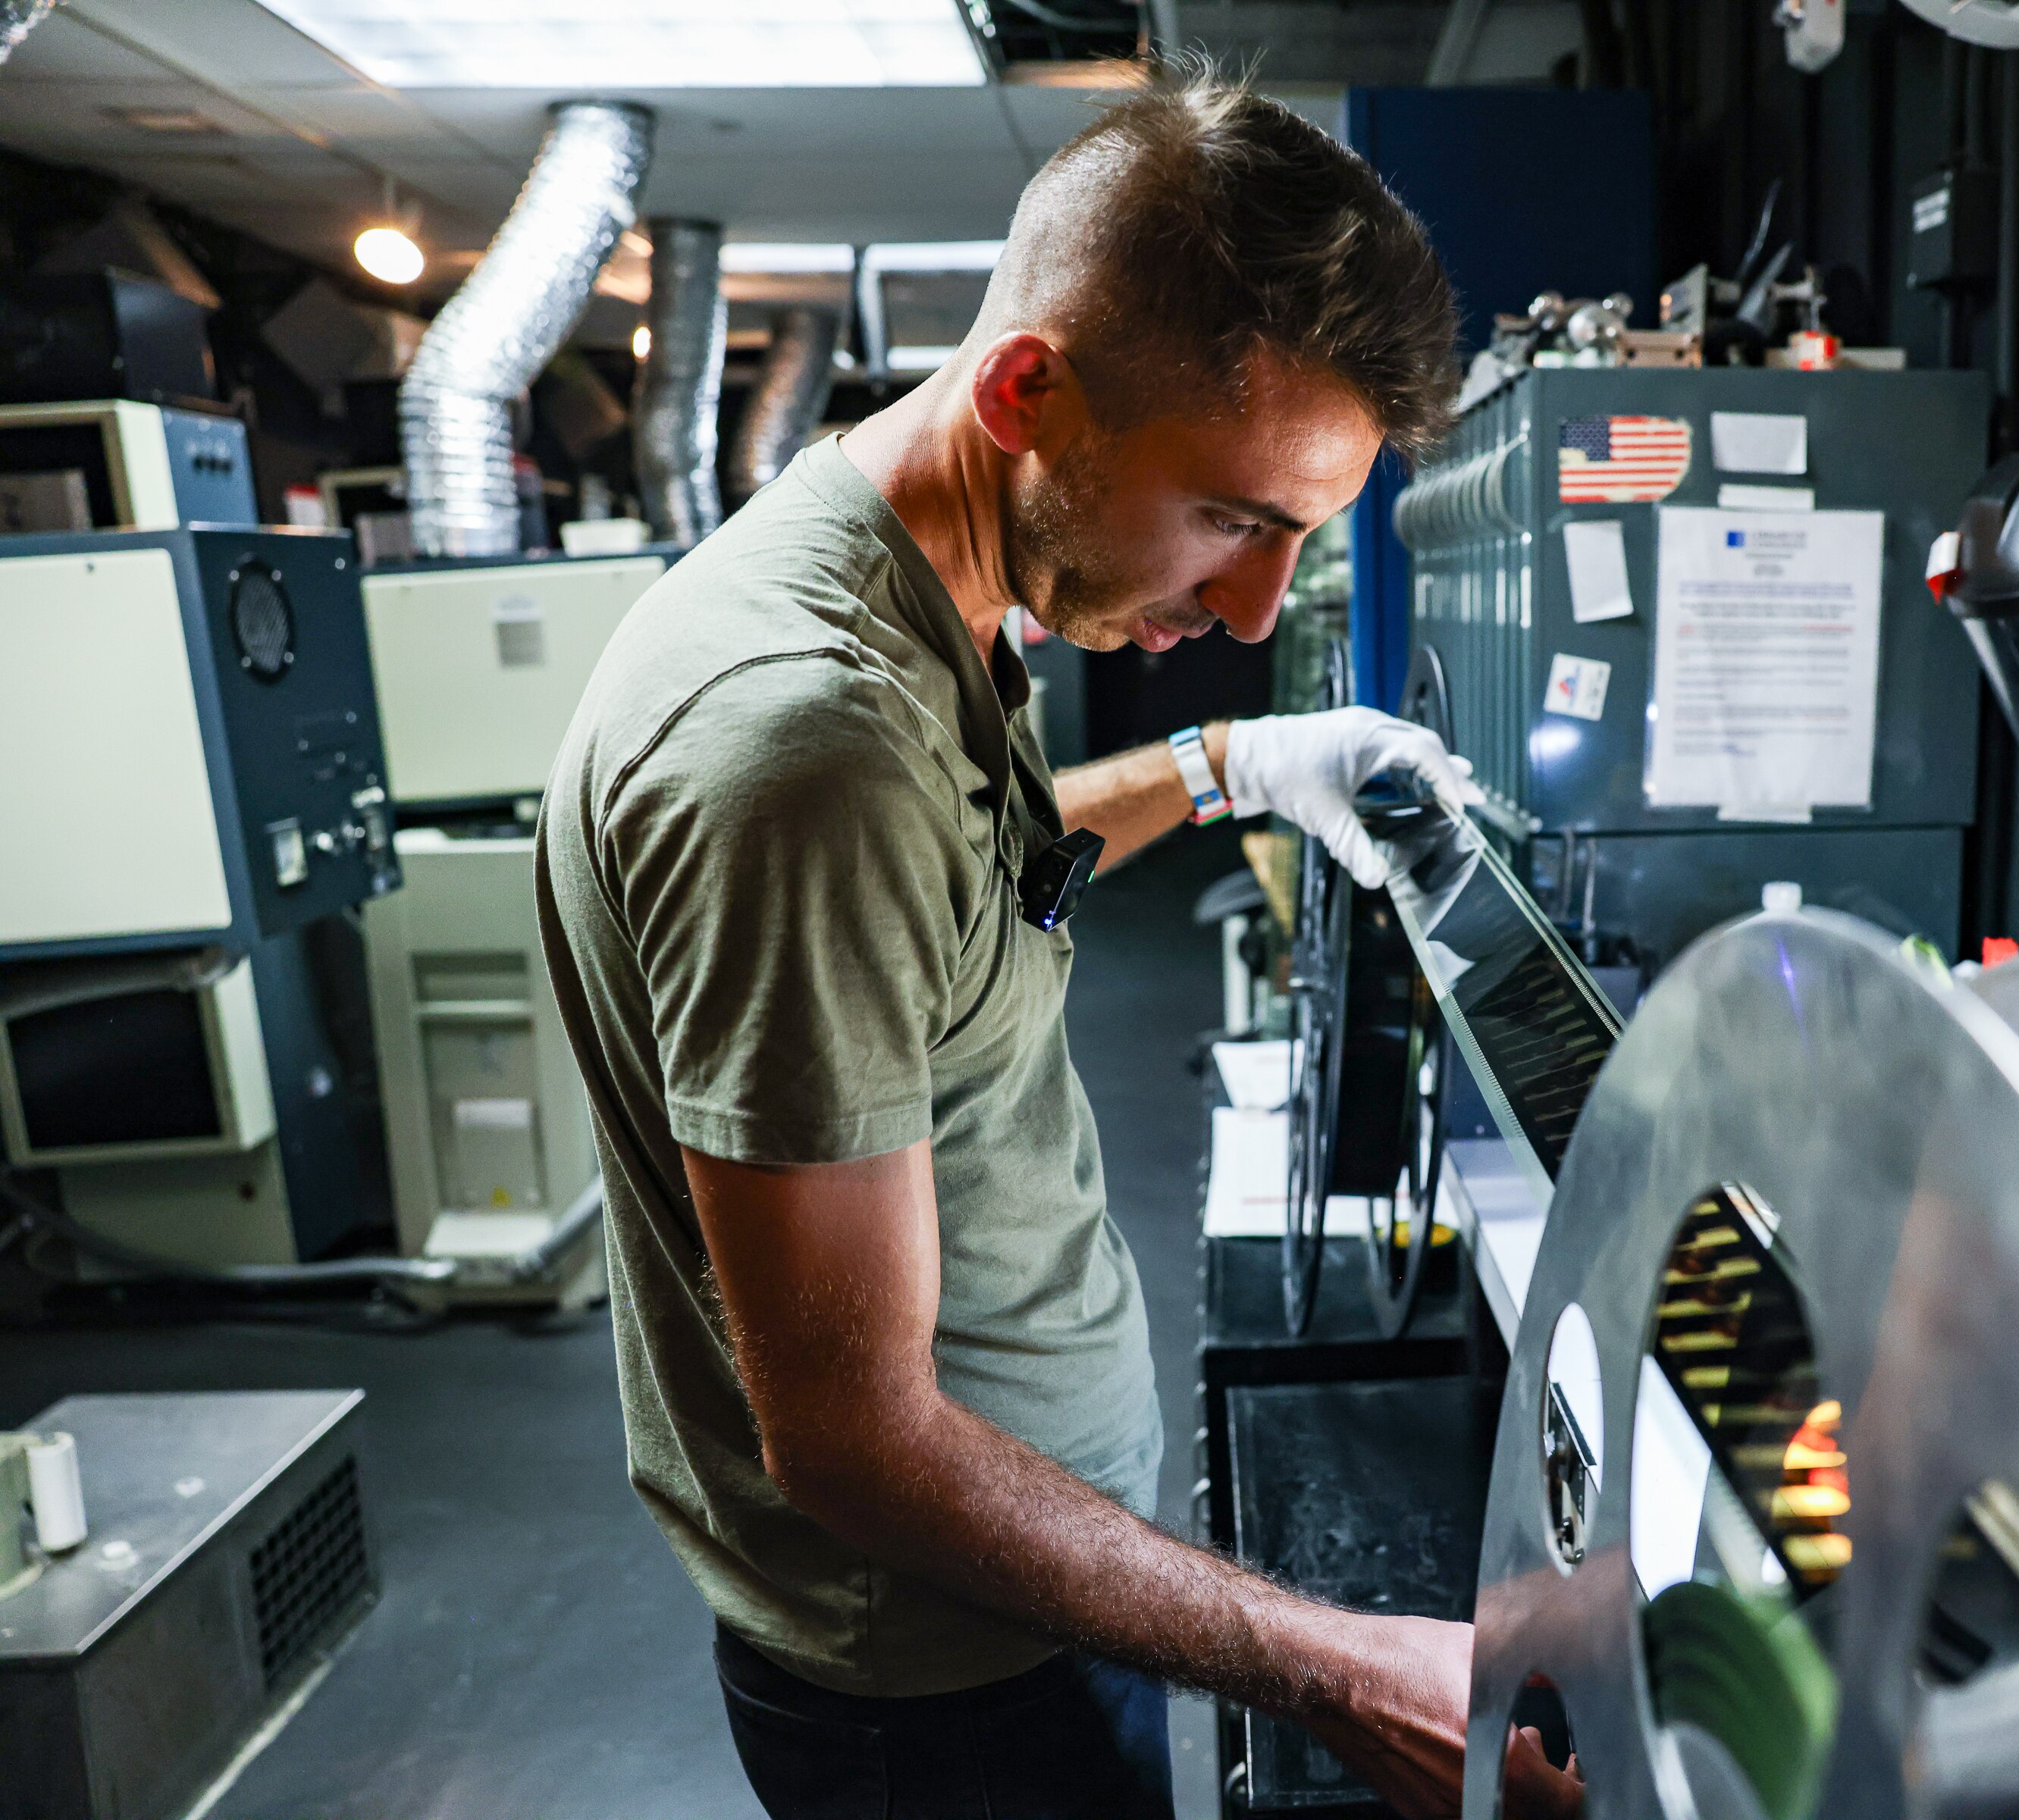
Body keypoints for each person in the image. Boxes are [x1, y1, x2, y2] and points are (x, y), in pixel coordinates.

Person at [538, 69, 1575, 1820]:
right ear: (1029, 391)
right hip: (940, 1680)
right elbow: (854, 1444)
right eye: (1237, 518)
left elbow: (962, 879)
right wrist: (1339, 1666)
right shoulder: (807, 741)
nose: (1257, 607)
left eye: (1301, 537)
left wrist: (1229, 761)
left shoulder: (891, 568)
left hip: (1025, 1588)